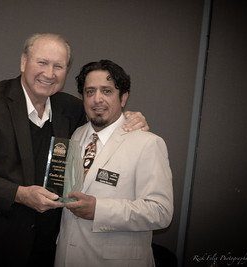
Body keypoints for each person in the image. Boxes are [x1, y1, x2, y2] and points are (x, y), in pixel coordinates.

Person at [0, 33, 149, 266]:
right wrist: (20, 194)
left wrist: (129, 117)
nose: (49, 73)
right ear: (24, 62)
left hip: (44, 247)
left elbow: (105, 114)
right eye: (42, 62)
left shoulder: (71, 108)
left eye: (58, 66)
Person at [55, 60, 173, 267]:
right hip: (66, 256)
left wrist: (99, 210)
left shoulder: (148, 143)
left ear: (124, 98)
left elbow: (160, 211)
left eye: (107, 91)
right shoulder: (75, 135)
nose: (97, 99)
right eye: (90, 91)